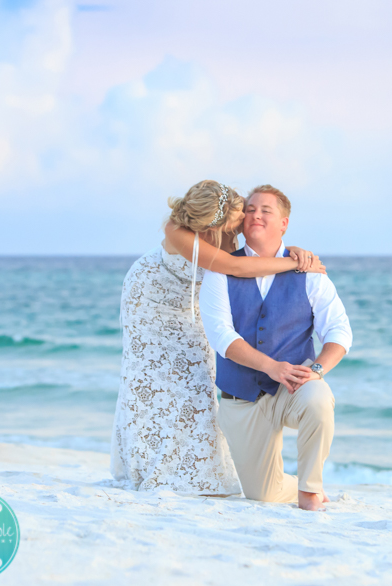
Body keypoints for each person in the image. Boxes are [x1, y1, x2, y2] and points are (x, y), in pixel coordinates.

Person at [111, 179, 324, 495]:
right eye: (237, 222)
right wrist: (293, 263)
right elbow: (237, 267)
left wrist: (292, 250)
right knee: (159, 377)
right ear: (212, 224)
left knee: (202, 371)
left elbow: (252, 254)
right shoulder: (177, 232)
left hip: (188, 302)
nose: (243, 227)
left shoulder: (224, 229)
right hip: (152, 298)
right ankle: (157, 461)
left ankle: (204, 465)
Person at [198, 184, 352, 511]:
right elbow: (221, 336)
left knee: (319, 399)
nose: (256, 214)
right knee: (262, 495)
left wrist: (317, 370)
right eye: (250, 209)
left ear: (284, 223)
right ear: (240, 221)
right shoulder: (221, 270)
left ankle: (310, 491)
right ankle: (295, 487)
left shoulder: (311, 274)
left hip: (292, 388)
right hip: (242, 397)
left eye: (266, 210)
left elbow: (339, 330)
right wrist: (271, 367)